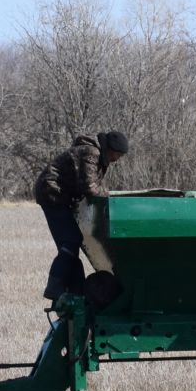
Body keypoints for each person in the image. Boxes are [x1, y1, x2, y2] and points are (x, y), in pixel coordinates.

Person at [32, 129, 128, 300]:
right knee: (71, 241)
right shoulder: (91, 153)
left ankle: (76, 292)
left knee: (71, 243)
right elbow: (90, 187)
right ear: (112, 149)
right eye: (118, 155)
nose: (117, 159)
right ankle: (54, 287)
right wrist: (112, 198)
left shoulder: (98, 155)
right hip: (52, 193)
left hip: (60, 195)